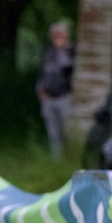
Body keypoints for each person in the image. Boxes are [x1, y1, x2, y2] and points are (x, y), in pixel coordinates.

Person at [36, 21, 74, 158]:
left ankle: (69, 158)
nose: (57, 38)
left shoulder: (71, 51)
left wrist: (62, 50)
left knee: (66, 131)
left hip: (64, 97)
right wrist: (40, 91)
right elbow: (43, 74)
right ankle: (56, 161)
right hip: (48, 99)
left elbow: (68, 69)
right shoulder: (49, 53)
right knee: (53, 134)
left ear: (65, 35)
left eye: (60, 35)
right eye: (55, 35)